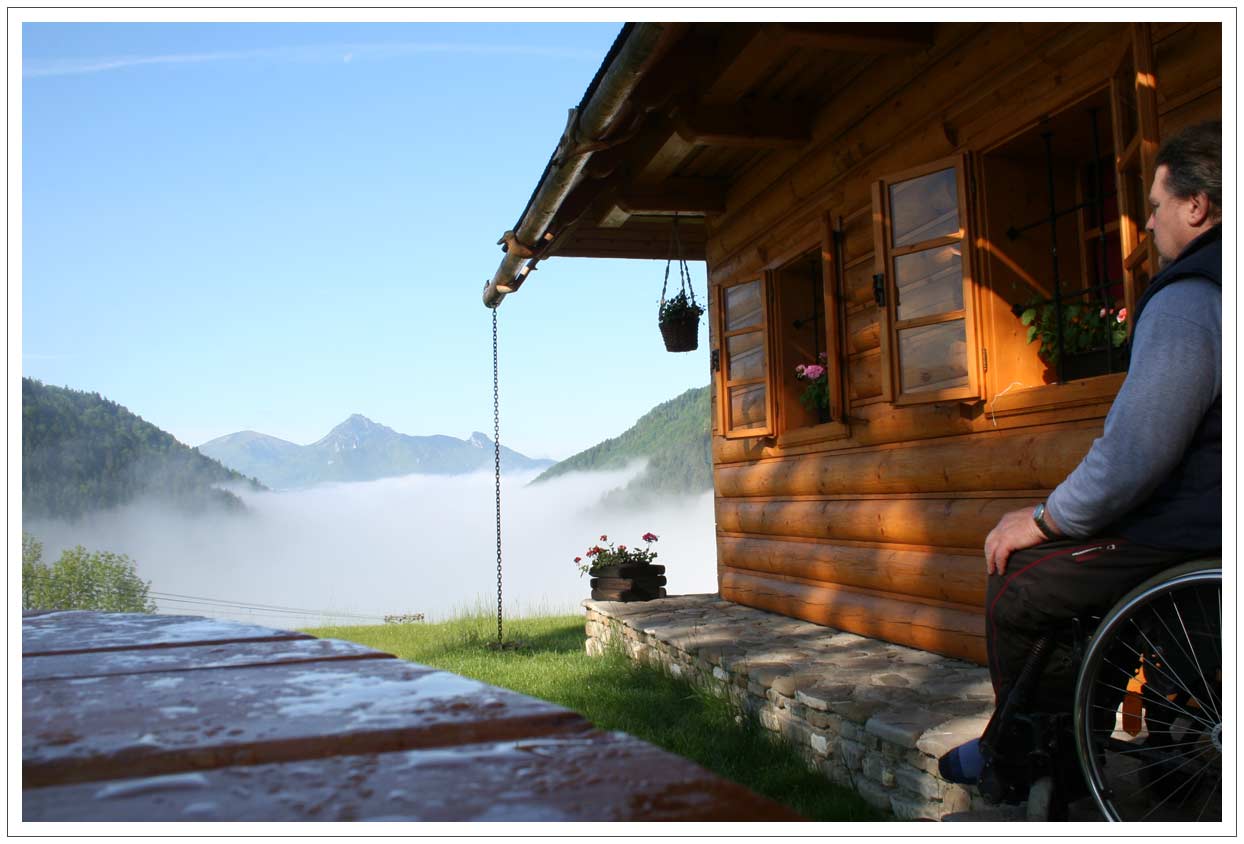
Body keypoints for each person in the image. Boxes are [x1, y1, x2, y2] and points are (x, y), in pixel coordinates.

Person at [939, 120, 1222, 797]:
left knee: (1020, 577)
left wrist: (1044, 519)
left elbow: (1135, 454)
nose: (1147, 223)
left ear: (1196, 206)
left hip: (1198, 530)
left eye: (1155, 205)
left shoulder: (1190, 298)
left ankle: (1023, 760)